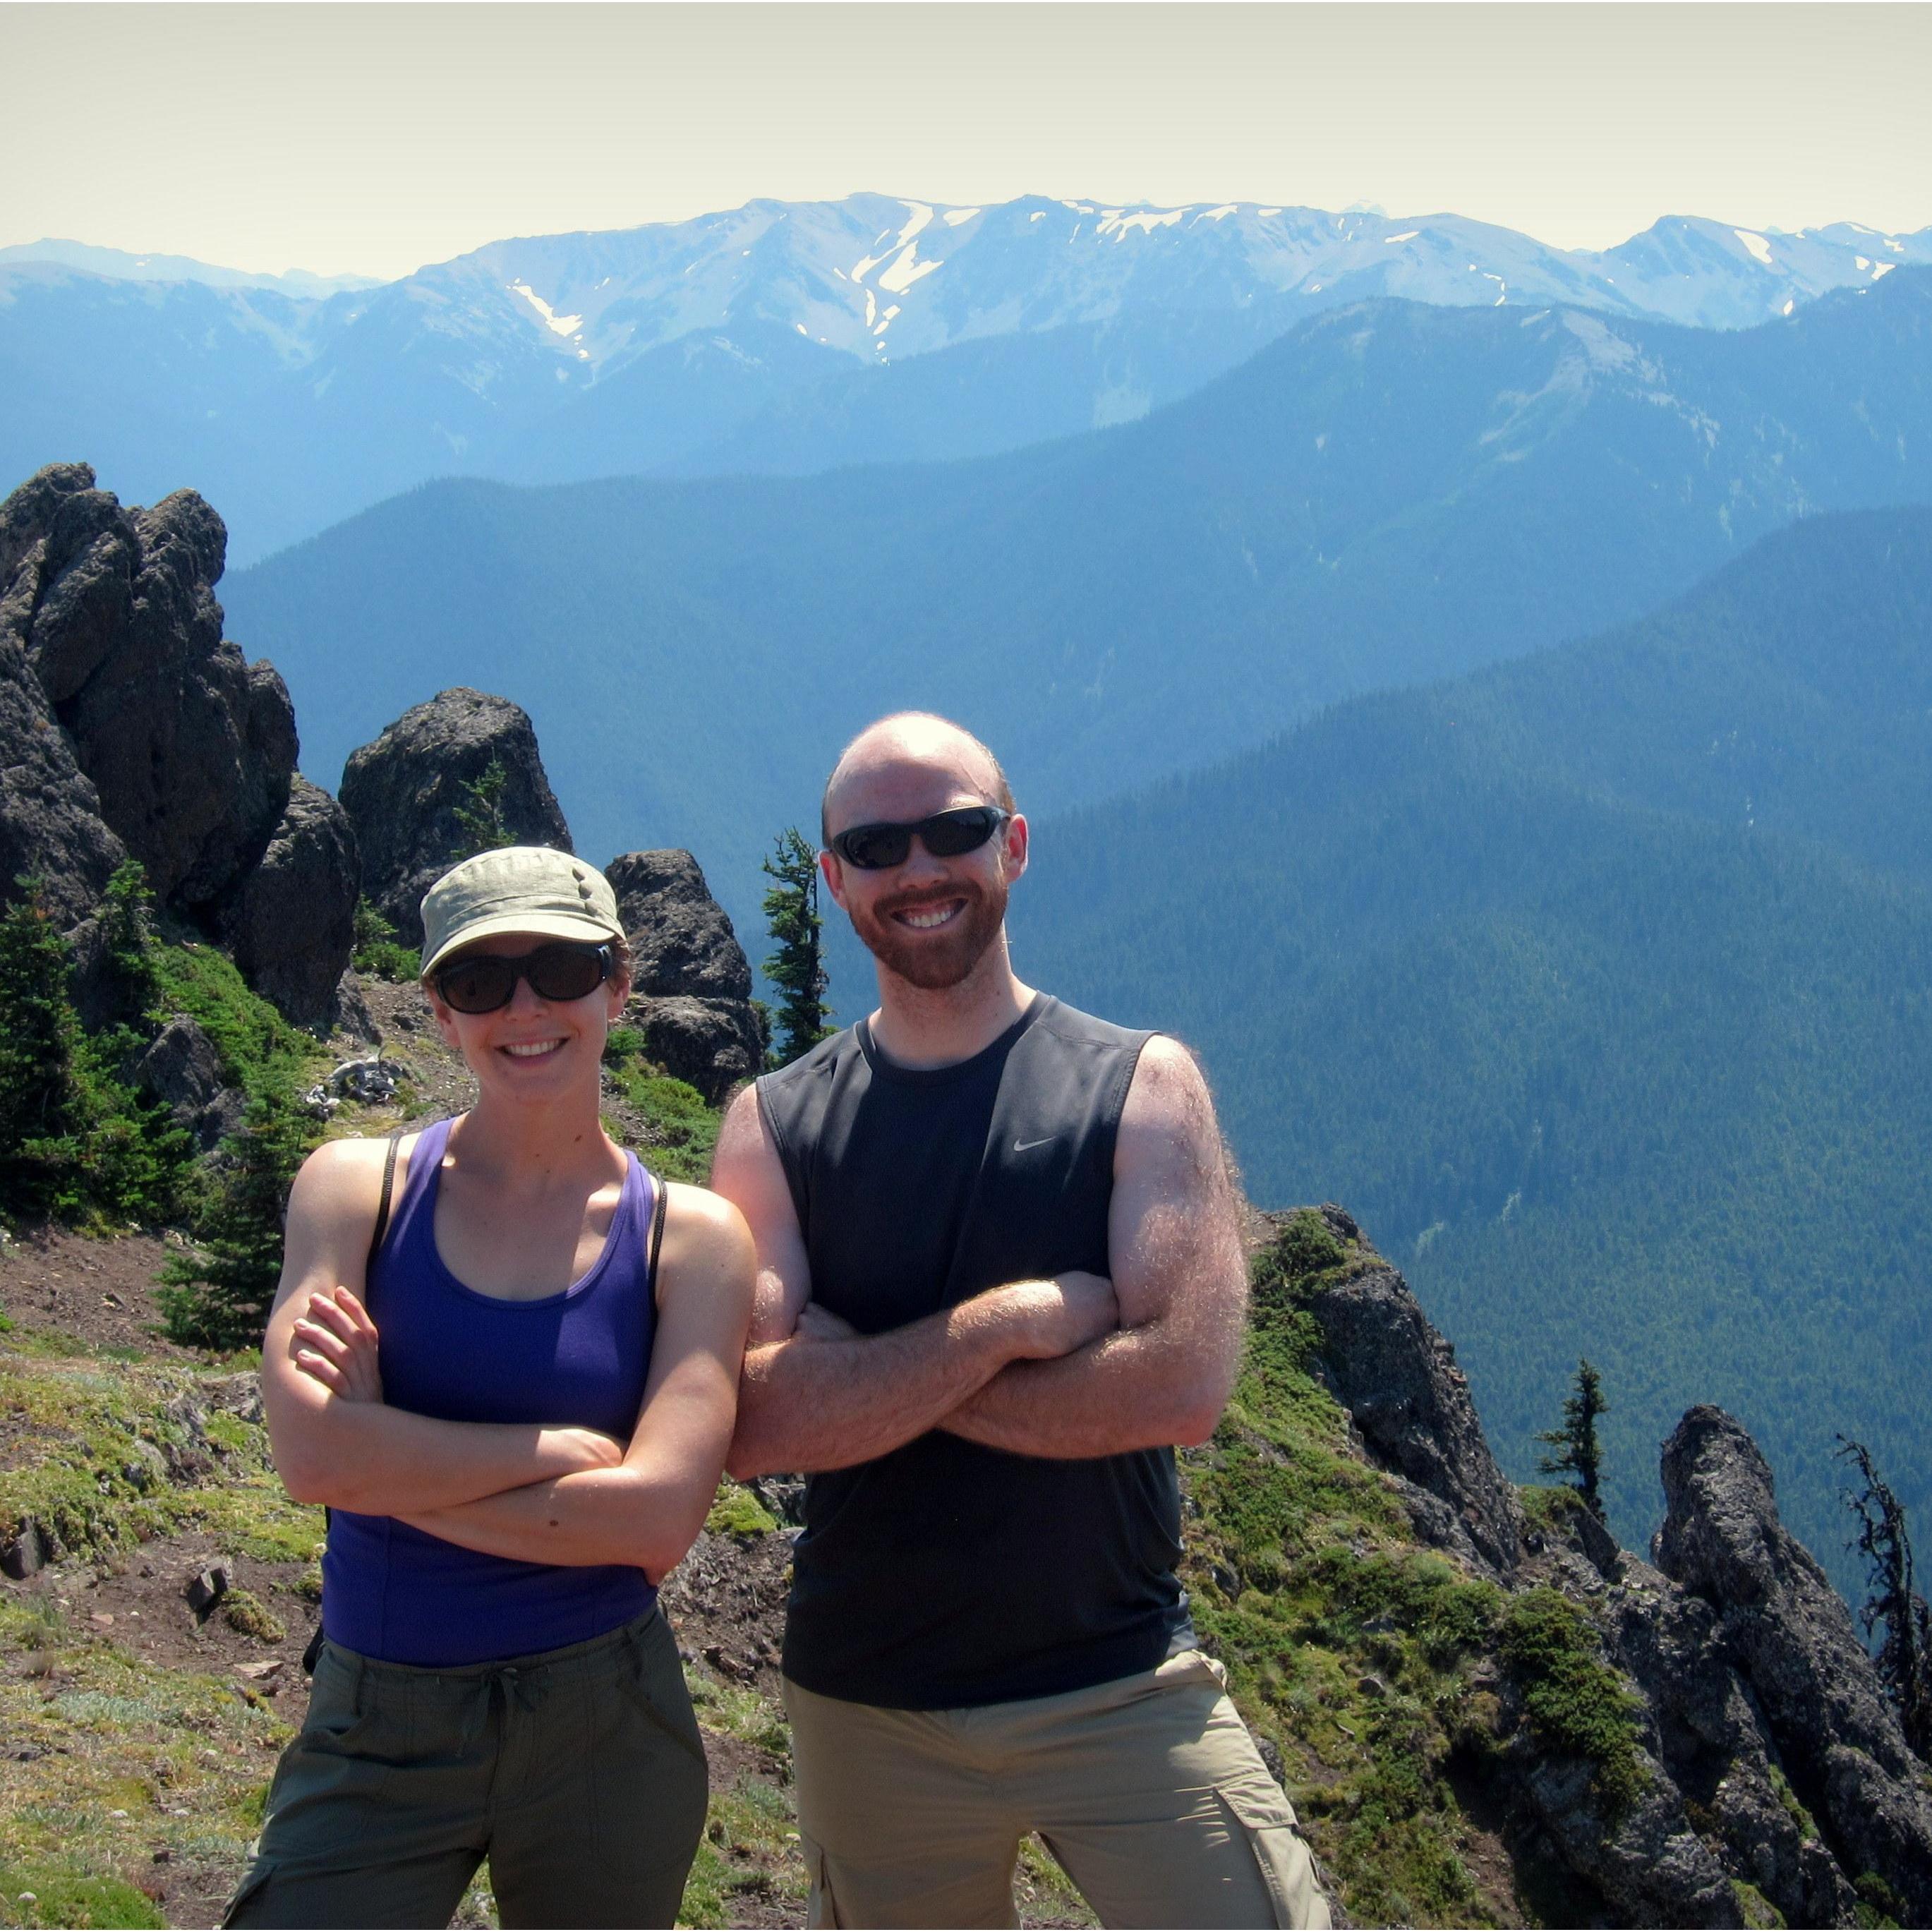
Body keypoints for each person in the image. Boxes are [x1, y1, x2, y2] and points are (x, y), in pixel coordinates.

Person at [711, 713, 1331, 1929]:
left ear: (1015, 844)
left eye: (953, 830)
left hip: (1121, 1682)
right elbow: (754, 1420)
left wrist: (868, 1378)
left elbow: (1179, 1387)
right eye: (876, 846)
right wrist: (1006, 1325)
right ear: (833, 877)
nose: (917, 868)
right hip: (868, 1708)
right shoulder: (771, 1125)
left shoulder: (1143, 1085)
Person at [229, 846, 755, 1930]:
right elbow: (309, 1457)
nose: (524, 1007)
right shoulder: (351, 1189)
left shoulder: (695, 1238)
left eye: (560, 969)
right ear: (439, 1010)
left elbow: (657, 1518)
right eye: (479, 980)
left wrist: (384, 1459)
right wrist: (549, 1455)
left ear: (617, 984)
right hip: (379, 1725)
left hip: (608, 1724)